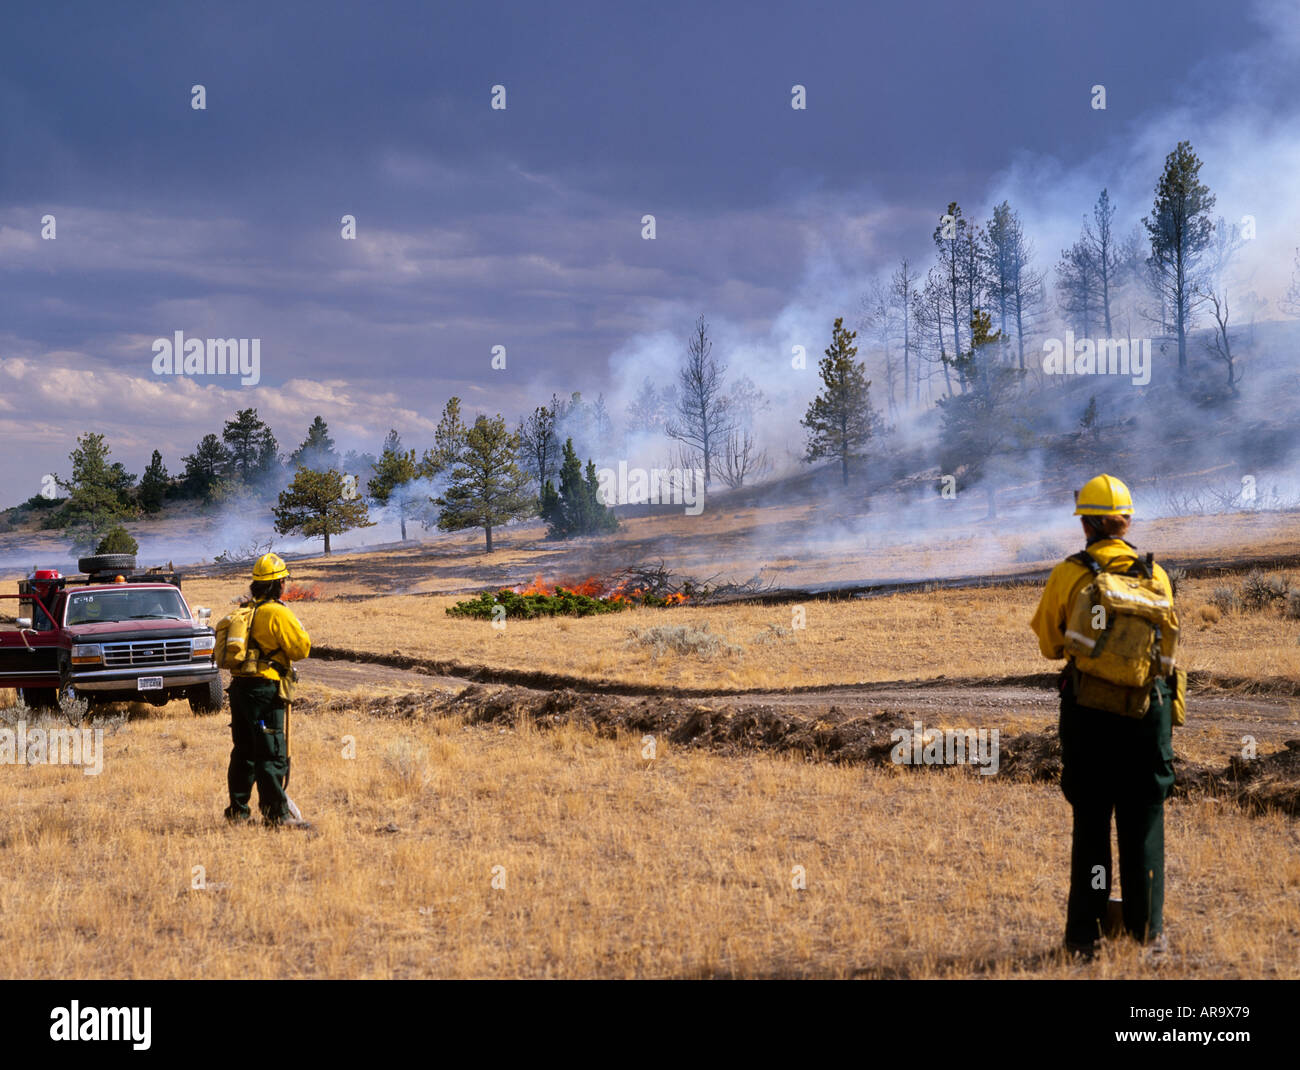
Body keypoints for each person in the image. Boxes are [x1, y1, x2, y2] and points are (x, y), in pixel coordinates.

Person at [1029, 474, 1179, 960]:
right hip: (1146, 713)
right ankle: (1147, 935)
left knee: (1092, 823)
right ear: (1127, 520)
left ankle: (1084, 939)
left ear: (1086, 524)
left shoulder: (1070, 574)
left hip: (1090, 715)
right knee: (1144, 823)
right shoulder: (1155, 576)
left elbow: (1052, 645)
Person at [224, 553, 312, 829]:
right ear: (277, 584)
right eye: (283, 581)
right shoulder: (277, 612)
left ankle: (238, 813)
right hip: (264, 692)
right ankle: (276, 815)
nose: (285, 585)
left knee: (244, 751)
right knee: (271, 751)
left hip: (240, 691)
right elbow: (301, 649)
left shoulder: (245, 610)